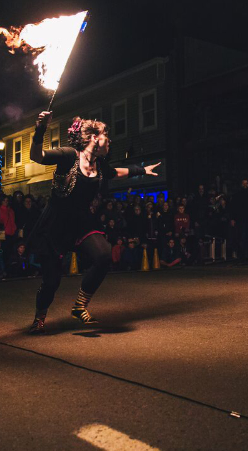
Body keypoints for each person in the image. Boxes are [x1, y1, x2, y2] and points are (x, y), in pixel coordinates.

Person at [26, 111, 160, 333]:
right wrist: (40, 129)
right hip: (55, 225)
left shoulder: (100, 164)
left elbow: (115, 172)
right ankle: (39, 318)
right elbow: (37, 156)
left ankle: (80, 306)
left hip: (81, 222)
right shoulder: (68, 155)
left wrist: (141, 170)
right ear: (94, 138)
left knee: (104, 255)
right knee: (51, 282)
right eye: (106, 135)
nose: (110, 140)